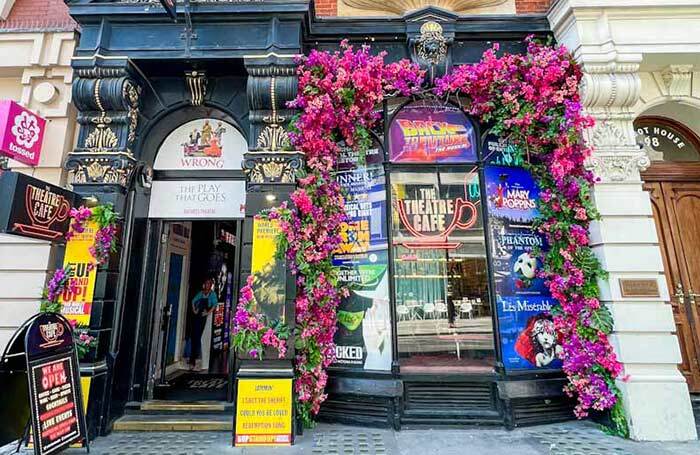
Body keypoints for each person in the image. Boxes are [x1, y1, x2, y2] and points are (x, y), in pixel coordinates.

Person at [188, 278, 217, 371]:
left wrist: (207, 313)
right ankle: (193, 361)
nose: (207, 285)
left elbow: (214, 305)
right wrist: (194, 309)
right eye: (206, 283)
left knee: (200, 336)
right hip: (197, 316)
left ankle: (198, 360)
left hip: (204, 317)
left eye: (209, 283)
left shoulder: (212, 294)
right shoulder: (201, 293)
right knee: (194, 337)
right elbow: (193, 301)